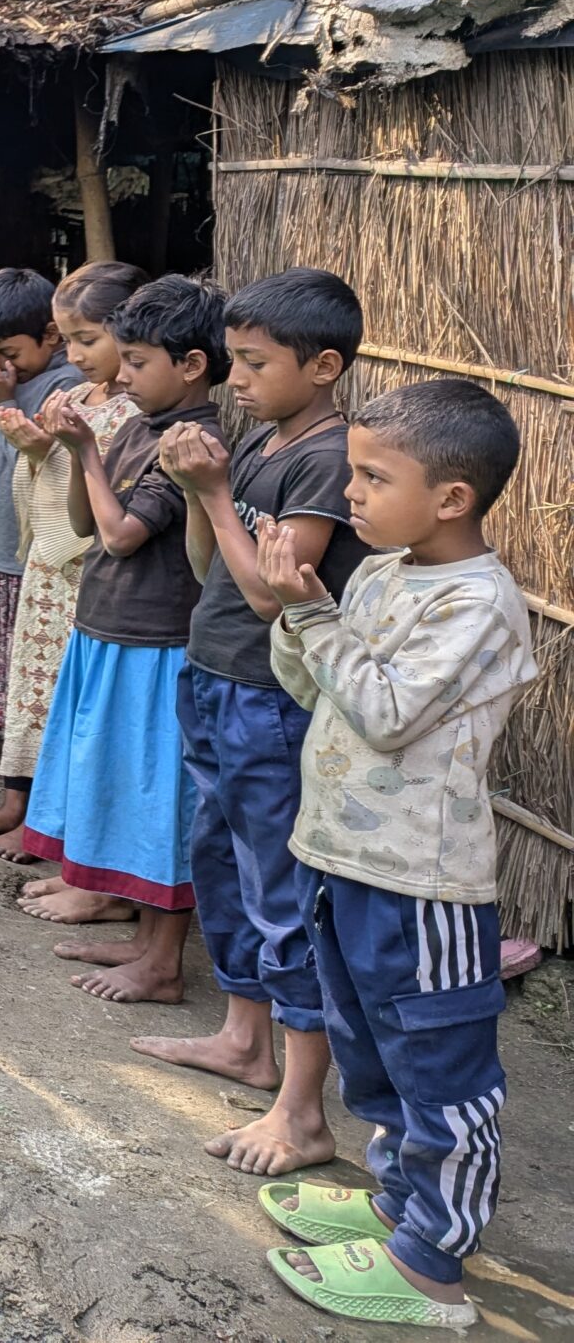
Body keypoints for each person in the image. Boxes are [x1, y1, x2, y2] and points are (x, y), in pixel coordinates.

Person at [255, 379, 536, 1328]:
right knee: (370, 1048)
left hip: (424, 881)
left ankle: (431, 1265)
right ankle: (398, 1202)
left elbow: (382, 713)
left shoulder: (479, 603)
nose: (350, 494)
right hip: (341, 858)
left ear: (452, 497)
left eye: (374, 477)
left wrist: (315, 617)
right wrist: (294, 612)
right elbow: (313, 687)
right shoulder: (379, 574)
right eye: (353, 473)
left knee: (439, 1067)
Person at [133, 269, 372, 1175]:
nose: (235, 379)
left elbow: (276, 596)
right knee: (221, 860)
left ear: (323, 366)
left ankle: (302, 1110)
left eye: (254, 363)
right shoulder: (267, 440)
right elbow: (211, 567)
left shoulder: (326, 458)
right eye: (233, 360)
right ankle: (244, 1038)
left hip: (270, 696)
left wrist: (214, 492)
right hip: (215, 675)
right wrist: (201, 489)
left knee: (280, 886)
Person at [21, 272, 226, 1004]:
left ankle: (163, 963)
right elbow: (84, 523)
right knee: (121, 788)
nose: (124, 374)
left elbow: (121, 535)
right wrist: (78, 450)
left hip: (158, 645)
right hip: (111, 632)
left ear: (192, 365)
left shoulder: (192, 441)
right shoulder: (142, 424)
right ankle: (142, 942)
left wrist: (85, 453)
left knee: (158, 802)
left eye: (137, 361)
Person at [0, 260, 146, 866]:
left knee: (67, 700)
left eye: (87, 339)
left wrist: (49, 453)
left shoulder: (134, 413)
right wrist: (36, 451)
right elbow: (41, 489)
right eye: (68, 340)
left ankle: (52, 822)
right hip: (46, 573)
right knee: (31, 687)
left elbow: (99, 499)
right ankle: (19, 805)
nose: (73, 355)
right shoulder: (72, 397)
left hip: (86, 577)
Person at [0, 267, 85, 840]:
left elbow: (36, 467)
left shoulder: (68, 384)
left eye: (10, 353)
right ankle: (14, 803)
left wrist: (3, 400)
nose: (2, 365)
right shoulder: (2, 387)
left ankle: (43, 814)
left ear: (51, 335)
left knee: (38, 694)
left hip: (38, 566)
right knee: (10, 692)